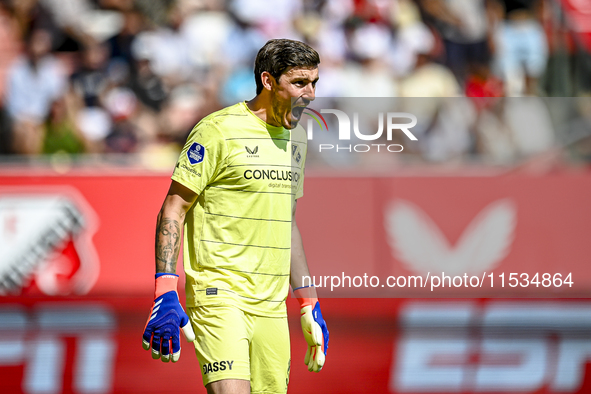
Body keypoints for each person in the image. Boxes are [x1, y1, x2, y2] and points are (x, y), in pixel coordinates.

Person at [142, 38, 329, 394]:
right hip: (220, 294)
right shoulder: (217, 131)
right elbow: (174, 208)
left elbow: (287, 223)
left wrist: (308, 300)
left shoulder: (298, 140)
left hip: (272, 304)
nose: (311, 94)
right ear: (268, 81)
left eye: (314, 83)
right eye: (300, 83)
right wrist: (165, 289)